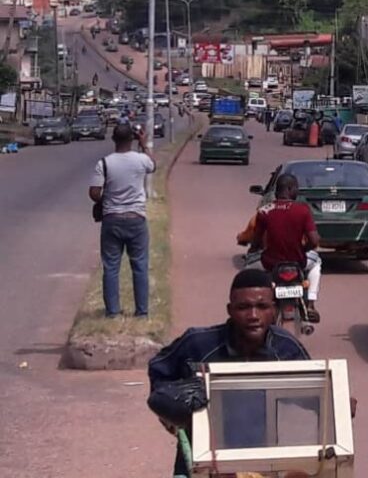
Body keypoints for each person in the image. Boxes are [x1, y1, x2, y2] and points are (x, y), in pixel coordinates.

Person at [147, 269, 311, 477]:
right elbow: (159, 371)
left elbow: (310, 390)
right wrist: (170, 409)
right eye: (244, 307)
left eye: (261, 307)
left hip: (264, 458)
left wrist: (337, 403)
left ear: (274, 311)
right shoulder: (197, 344)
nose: (253, 315)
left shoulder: (286, 348)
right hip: (202, 460)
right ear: (230, 310)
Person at [88, 123, 156, 317]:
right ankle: (141, 313)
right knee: (140, 266)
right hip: (136, 219)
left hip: (112, 219)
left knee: (111, 267)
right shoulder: (141, 160)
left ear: (113, 140)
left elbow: (94, 192)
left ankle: (112, 312)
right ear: (132, 139)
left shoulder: (104, 163)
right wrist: (144, 144)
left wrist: (106, 199)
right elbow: (154, 165)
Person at [252, 173, 322, 323]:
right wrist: (304, 249)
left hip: (270, 263)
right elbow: (314, 240)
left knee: (248, 271)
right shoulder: (302, 210)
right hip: (297, 262)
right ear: (289, 189)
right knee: (316, 263)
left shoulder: (265, 211)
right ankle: (310, 304)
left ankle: (255, 305)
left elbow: (256, 239)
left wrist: (253, 249)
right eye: (296, 188)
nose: (297, 192)